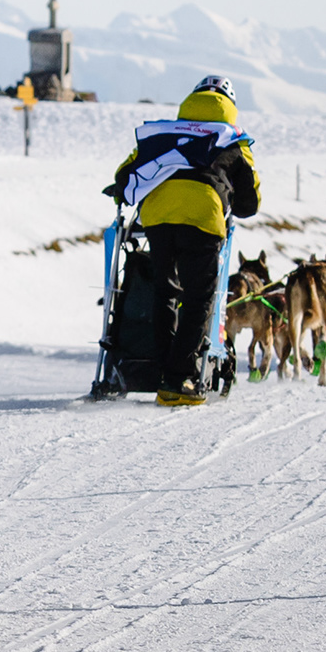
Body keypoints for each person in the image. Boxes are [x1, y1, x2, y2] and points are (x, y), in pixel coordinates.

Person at [101, 80, 261, 408]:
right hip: (203, 216)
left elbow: (127, 171)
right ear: (229, 106)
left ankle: (162, 372)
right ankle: (177, 381)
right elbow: (250, 202)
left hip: (157, 215)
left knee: (165, 291)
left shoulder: (165, 132)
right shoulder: (233, 139)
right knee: (198, 298)